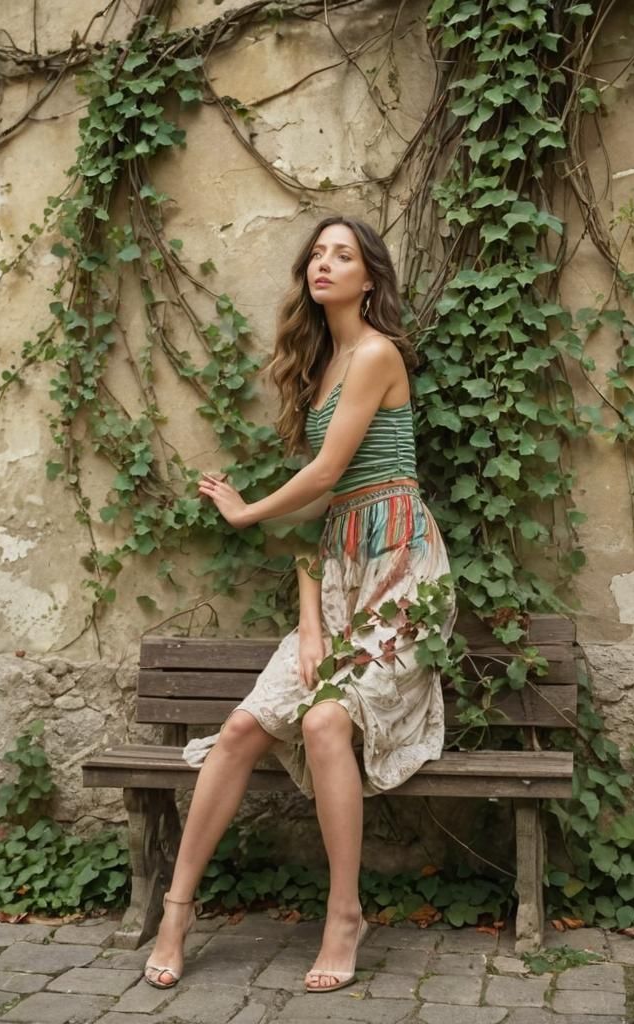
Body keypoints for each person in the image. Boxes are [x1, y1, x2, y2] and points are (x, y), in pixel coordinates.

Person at [141, 216, 457, 994]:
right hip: (338, 582)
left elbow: (322, 479)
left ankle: (343, 913)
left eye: (342, 255)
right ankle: (177, 910)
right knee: (245, 725)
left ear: (369, 280)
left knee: (323, 720)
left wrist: (247, 511)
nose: (325, 263)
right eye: (317, 253)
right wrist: (311, 623)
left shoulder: (378, 355)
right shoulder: (319, 370)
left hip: (403, 581)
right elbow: (321, 517)